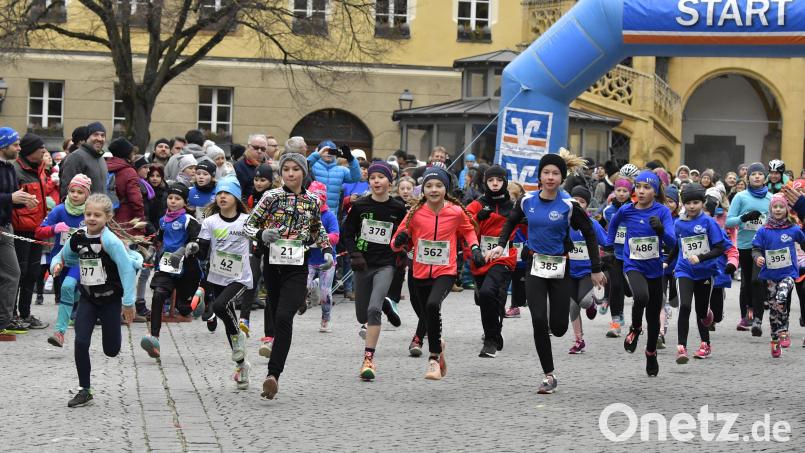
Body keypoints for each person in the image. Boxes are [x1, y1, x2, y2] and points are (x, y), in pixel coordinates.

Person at [489, 151, 604, 392]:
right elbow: (510, 221)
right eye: (546, 173)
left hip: (561, 268)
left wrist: (595, 269)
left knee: (559, 327)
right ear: (539, 176)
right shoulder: (527, 201)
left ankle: (563, 324)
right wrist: (501, 244)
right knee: (538, 319)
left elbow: (590, 234)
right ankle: (549, 375)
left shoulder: (569, 206)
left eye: (555, 173)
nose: (550, 177)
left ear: (562, 178)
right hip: (535, 266)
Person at [244, 153, 333, 400]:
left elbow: (317, 228)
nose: (291, 173)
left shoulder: (313, 201)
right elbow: (248, 226)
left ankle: (273, 375)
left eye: (296, 169)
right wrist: (261, 234)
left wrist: (326, 250)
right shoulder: (271, 197)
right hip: (272, 265)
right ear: (281, 173)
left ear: (304, 173)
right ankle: (299, 298)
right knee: (275, 310)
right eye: (286, 169)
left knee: (284, 317)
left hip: (298, 265)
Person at [50, 193, 141, 408]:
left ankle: (110, 344)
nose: (92, 218)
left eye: (97, 215)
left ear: (107, 217)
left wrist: (129, 303)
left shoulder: (110, 241)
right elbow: (61, 255)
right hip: (88, 298)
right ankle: (85, 389)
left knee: (111, 350)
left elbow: (126, 271)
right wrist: (57, 264)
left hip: (110, 300)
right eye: (88, 214)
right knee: (81, 341)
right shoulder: (79, 236)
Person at [391, 167, 480, 380]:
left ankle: (433, 359)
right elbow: (395, 243)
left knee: (433, 305)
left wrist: (475, 248)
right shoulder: (415, 213)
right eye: (429, 186)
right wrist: (400, 242)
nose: (434, 189)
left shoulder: (455, 212)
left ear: (445, 189)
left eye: (439, 185)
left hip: (446, 270)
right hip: (419, 271)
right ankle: (438, 343)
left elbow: (468, 229)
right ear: (423, 190)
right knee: (426, 313)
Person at [605, 170, 675, 377]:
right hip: (633, 264)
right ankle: (635, 328)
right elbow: (614, 225)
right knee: (641, 296)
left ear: (655, 190)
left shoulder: (662, 212)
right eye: (639, 187)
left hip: (654, 268)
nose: (642, 191)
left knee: (653, 316)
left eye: (647, 187)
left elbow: (672, 243)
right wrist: (609, 247)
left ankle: (651, 352)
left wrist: (661, 230)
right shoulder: (626, 210)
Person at [341, 162, 407, 380]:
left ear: (390, 181)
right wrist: (354, 254)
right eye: (372, 178)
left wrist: (402, 244)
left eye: (381, 177)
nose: (376, 181)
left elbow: (405, 233)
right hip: (363, 264)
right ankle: (385, 306)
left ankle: (368, 360)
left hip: (385, 264)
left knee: (372, 310)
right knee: (362, 314)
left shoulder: (398, 208)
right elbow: (347, 233)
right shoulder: (360, 206)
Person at [197, 176, 254, 389]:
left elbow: (258, 242)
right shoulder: (210, 222)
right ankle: (241, 366)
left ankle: (238, 337)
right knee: (226, 314)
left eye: (227, 193)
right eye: (219, 193)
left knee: (220, 306)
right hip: (217, 275)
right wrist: (195, 248)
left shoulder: (246, 221)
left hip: (240, 277)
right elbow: (203, 250)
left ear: (236, 198)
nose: (222, 196)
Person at [140, 183, 203, 359]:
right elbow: (158, 239)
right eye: (170, 198)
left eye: (177, 199)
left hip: (186, 268)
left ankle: (198, 298)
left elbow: (196, 240)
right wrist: (151, 253)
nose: (173, 202)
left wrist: (189, 247)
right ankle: (154, 338)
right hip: (167, 265)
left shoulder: (189, 220)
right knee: (159, 295)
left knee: (184, 309)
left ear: (185, 202)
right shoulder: (163, 220)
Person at [671, 183, 727, 364]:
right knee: (685, 306)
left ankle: (705, 343)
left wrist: (701, 257)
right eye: (688, 203)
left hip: (705, 272)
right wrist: (666, 261)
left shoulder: (709, 222)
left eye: (696, 202)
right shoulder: (678, 223)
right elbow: (676, 245)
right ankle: (681, 347)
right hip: (684, 270)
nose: (692, 206)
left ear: (702, 203)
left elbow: (720, 248)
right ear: (683, 204)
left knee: (701, 311)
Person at [466, 165, 517, 358]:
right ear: (485, 182)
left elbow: (530, 226)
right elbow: (464, 227)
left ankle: (490, 341)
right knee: (484, 298)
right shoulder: (477, 204)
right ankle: (495, 332)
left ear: (505, 182)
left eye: (499, 180)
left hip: (504, 258)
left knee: (492, 293)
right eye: (490, 180)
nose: (495, 184)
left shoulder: (513, 206)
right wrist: (477, 218)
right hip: (481, 258)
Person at [36, 174, 91, 347]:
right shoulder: (59, 210)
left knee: (68, 287)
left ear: (87, 195)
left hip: (80, 260)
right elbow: (39, 231)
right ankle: (75, 308)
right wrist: (54, 228)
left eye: (80, 192)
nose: (75, 195)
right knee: (69, 289)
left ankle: (59, 332)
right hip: (59, 257)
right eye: (72, 191)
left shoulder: (90, 212)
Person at [752, 193, 805, 357]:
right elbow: (755, 249)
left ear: (787, 210)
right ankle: (775, 340)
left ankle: (783, 330)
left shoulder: (793, 229)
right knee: (774, 307)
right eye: (775, 206)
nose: (778, 209)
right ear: (770, 209)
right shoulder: (763, 230)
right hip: (770, 274)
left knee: (782, 297)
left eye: (781, 206)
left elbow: (803, 241)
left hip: (788, 273)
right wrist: (758, 258)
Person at [726, 162, 771, 333]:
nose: (757, 176)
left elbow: (778, 219)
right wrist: (744, 218)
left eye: (760, 174)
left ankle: (758, 319)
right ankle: (746, 315)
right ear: (748, 177)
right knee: (746, 282)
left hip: (763, 247)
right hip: (745, 245)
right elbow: (729, 222)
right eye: (753, 174)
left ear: (764, 177)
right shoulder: (741, 197)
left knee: (757, 280)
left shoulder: (771, 198)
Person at [12, 133, 50, 330]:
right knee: (19, 273)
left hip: (37, 230)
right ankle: (12, 314)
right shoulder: (16, 171)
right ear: (28, 151)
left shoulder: (40, 169)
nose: (44, 150)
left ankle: (25, 313)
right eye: (39, 148)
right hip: (20, 231)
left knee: (33, 273)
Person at [566, 185, 607, 354]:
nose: (577, 203)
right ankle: (579, 340)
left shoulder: (592, 224)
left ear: (587, 205)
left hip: (587, 272)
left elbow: (606, 241)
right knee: (572, 306)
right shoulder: (564, 223)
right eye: (574, 200)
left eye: (581, 202)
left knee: (583, 302)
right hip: (568, 271)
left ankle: (592, 304)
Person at [0, 128, 28, 339]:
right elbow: (7, 197)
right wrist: (11, 198)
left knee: (10, 274)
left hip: (6, 227)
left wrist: (23, 202)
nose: (19, 148)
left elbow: (10, 198)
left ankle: (4, 320)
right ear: (3, 146)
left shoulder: (10, 168)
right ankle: (2, 322)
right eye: (15, 144)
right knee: (12, 274)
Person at [304, 182, 340, 333]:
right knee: (303, 285)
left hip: (327, 260)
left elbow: (336, 236)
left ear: (324, 200)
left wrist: (320, 239)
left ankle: (325, 318)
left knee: (325, 293)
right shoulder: (305, 215)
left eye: (319, 200)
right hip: (310, 259)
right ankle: (310, 294)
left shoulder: (329, 216)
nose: (316, 203)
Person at [600, 178, 633, 337]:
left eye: (625, 191)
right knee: (616, 287)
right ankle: (615, 323)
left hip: (633, 255)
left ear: (630, 192)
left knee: (634, 290)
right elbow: (602, 228)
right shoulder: (608, 211)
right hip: (615, 254)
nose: (621, 193)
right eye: (618, 190)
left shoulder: (635, 209)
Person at [307, 140, 361, 214]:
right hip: (311, 213)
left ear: (336, 153)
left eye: (332, 151)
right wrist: (316, 155)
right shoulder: (312, 167)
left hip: (331, 215)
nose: (328, 153)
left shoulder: (341, 170)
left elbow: (356, 177)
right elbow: (303, 167)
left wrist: (351, 159)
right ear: (319, 152)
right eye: (325, 150)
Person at [106, 138, 145, 235]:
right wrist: (140, 220)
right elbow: (136, 200)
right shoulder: (129, 171)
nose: (133, 155)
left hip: (106, 216)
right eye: (132, 152)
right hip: (126, 218)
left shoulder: (104, 167)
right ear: (126, 153)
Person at [59, 122, 108, 199]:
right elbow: (66, 189)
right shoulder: (76, 157)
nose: (99, 138)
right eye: (95, 134)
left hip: (99, 210)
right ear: (87, 137)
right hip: (83, 210)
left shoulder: (101, 158)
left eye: (103, 135)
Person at [235, 134, 269, 202]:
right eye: (256, 148)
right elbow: (237, 194)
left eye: (263, 149)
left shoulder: (269, 166)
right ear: (248, 147)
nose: (259, 151)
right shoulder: (239, 166)